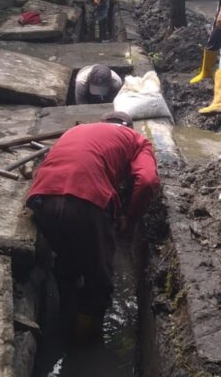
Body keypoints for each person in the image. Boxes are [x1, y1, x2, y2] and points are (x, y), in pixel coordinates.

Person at [27, 112, 160, 342]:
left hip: (42, 199)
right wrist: (130, 217)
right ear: (129, 127)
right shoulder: (137, 140)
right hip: (87, 203)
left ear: (102, 123)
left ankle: (64, 319)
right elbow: (148, 181)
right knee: (99, 279)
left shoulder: (75, 130)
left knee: (66, 261)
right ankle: (85, 343)